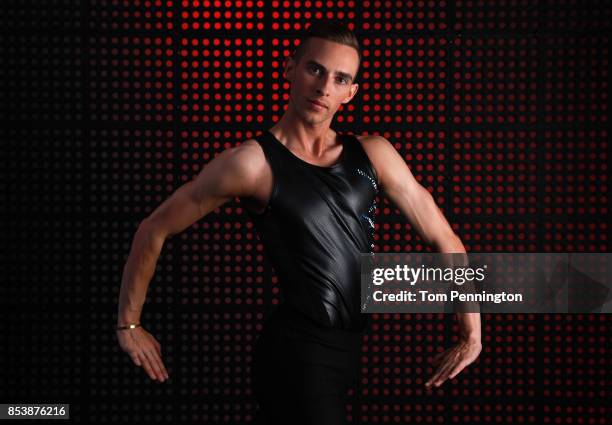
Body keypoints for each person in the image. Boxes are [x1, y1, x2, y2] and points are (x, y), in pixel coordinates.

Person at [116, 19, 482, 424]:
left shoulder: (374, 154)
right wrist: (129, 323)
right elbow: (154, 227)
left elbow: (444, 238)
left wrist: (472, 333)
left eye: (340, 78)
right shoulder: (252, 164)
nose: (324, 87)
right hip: (298, 352)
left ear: (351, 93)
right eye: (315, 69)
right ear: (291, 68)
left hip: (346, 350)